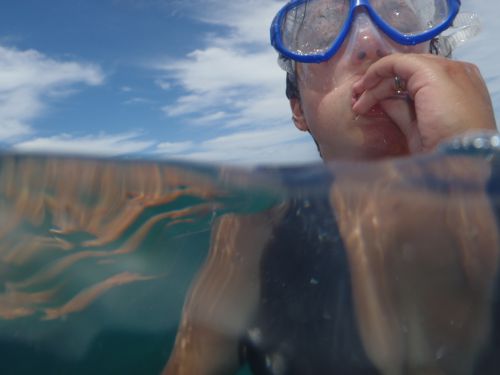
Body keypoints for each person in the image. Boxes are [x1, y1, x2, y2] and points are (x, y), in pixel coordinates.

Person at [164, 1, 500, 374]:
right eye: (322, 36)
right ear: (298, 111)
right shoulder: (253, 232)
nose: (370, 45)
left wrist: (476, 164)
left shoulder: (488, 192)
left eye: (401, 21)